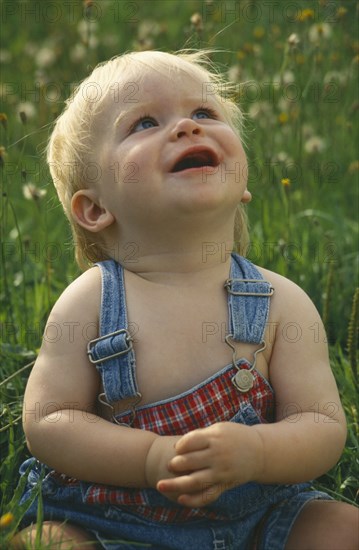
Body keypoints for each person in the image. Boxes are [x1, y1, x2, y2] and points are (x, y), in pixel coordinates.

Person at [12, 50, 358, 550]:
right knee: (46, 542)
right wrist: (151, 458)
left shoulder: (281, 301)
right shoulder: (91, 300)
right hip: (113, 523)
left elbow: (322, 424)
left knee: (343, 528)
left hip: (260, 519)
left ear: (242, 184)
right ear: (94, 208)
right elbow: (49, 420)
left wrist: (259, 451)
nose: (186, 129)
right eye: (145, 122)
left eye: (204, 114)